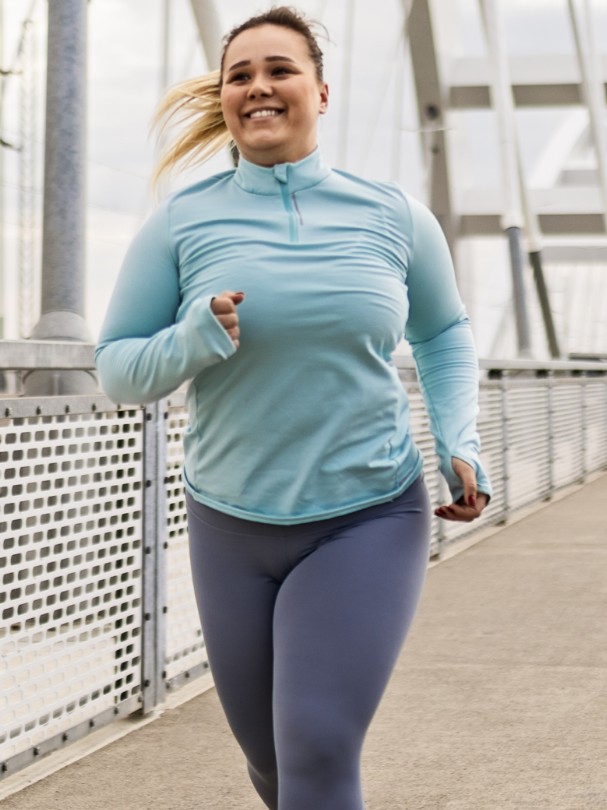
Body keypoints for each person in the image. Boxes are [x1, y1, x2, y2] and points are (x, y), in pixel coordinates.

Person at [96, 7, 491, 809]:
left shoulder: (392, 216)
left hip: (367, 515)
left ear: (320, 90)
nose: (258, 86)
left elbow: (444, 331)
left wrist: (460, 439)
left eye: (278, 69)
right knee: (274, 763)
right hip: (228, 522)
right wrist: (192, 340)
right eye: (239, 74)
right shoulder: (180, 222)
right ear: (225, 97)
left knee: (315, 741)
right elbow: (118, 369)